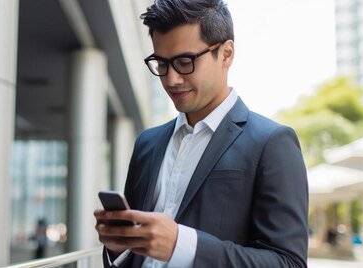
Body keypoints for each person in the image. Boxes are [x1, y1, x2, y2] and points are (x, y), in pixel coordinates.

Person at [93, 0, 308, 267]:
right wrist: (119, 247)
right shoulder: (147, 143)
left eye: (185, 62)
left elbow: (289, 262)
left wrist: (182, 245)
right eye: (161, 63)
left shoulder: (272, 143)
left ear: (226, 54)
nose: (171, 79)